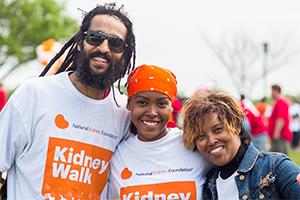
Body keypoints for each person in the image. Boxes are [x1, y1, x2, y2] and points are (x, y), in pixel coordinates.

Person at [0, 3, 136, 199]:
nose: (104, 48)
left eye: (115, 43)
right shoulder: (35, 94)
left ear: (125, 54)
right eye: (95, 37)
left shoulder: (124, 112)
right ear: (81, 42)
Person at [108, 64, 210, 200]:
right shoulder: (117, 157)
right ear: (129, 105)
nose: (152, 112)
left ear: (171, 107)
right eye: (142, 103)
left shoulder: (192, 144)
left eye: (161, 104)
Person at [183, 91, 300, 200]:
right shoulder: (208, 185)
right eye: (201, 136)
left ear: (237, 126)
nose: (211, 141)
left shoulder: (275, 167)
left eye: (218, 129)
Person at [268, 84, 292, 155]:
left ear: (276, 91)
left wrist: (276, 133)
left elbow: (280, 119)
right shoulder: (279, 101)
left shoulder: (281, 102)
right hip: (278, 134)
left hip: (280, 135)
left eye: (272, 91)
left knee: (280, 157)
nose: (271, 93)